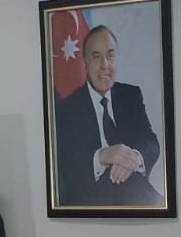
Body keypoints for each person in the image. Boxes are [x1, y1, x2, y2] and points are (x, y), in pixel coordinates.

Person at [52, 24, 163, 207]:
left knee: (137, 189)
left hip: (132, 190)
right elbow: (66, 162)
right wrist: (102, 156)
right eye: (96, 57)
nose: (105, 65)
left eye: (110, 56)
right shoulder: (67, 108)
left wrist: (131, 159)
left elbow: (150, 142)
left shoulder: (130, 95)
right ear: (85, 63)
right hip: (90, 201)